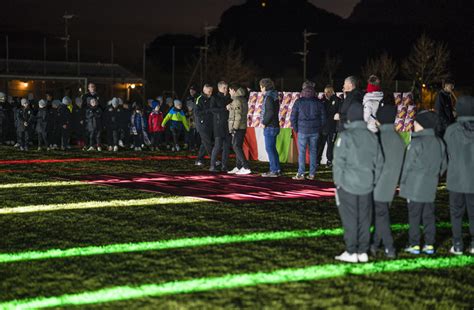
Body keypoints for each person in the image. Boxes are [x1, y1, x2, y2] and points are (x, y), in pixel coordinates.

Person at [333, 103, 383, 263]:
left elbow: (338, 163)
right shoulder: (372, 136)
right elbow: (380, 163)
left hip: (348, 185)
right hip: (367, 185)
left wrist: (338, 183)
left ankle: (351, 251)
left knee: (350, 219)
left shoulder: (345, 136)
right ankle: (363, 250)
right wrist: (373, 181)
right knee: (364, 219)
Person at [400, 110, 447, 255]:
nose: (414, 124)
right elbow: (444, 165)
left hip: (414, 186)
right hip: (430, 185)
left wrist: (403, 184)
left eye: (417, 122)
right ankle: (429, 244)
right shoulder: (440, 142)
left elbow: (407, 166)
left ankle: (414, 244)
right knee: (429, 215)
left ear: (423, 125)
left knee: (414, 216)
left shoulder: (415, 143)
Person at [370, 100, 405, 259]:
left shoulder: (378, 137)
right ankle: (375, 244)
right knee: (381, 214)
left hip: (378, 182)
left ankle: (390, 247)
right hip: (392, 182)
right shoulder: (399, 139)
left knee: (381, 215)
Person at [444, 96, 474, 255]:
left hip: (456, 179)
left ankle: (457, 244)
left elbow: (448, 152)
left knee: (456, 213)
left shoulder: (451, 130)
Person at [290, 81, 326, 180]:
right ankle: (312, 174)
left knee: (301, 153)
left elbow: (293, 117)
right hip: (314, 131)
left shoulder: (299, 102)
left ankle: (301, 173)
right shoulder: (318, 102)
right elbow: (323, 118)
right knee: (313, 152)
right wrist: (319, 128)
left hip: (302, 130)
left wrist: (296, 129)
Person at [259, 78, 281, 177]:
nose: (260, 89)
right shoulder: (274, 95)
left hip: (270, 126)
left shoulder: (268, 97)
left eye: (261, 87)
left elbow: (270, 112)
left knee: (269, 148)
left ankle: (274, 170)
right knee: (272, 148)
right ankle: (277, 169)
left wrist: (264, 122)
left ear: (264, 87)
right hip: (275, 125)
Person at [227, 84, 251, 175]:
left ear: (233, 90)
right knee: (237, 146)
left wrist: (234, 128)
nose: (229, 92)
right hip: (242, 126)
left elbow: (238, 115)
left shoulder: (237, 100)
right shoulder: (241, 99)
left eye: (230, 90)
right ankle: (239, 166)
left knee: (236, 146)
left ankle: (246, 166)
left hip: (239, 127)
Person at [210, 81, 232, 172]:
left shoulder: (229, 97)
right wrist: (224, 109)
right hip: (218, 125)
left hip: (228, 125)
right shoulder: (214, 97)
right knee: (218, 146)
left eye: (227, 88)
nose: (226, 90)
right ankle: (212, 166)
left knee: (227, 146)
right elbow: (212, 109)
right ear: (219, 88)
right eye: (224, 88)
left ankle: (224, 166)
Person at [317, 86, 341, 167]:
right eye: (325, 92)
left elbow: (339, 113)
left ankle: (329, 161)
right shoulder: (322, 101)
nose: (326, 94)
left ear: (332, 92)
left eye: (328, 92)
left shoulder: (337, 100)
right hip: (323, 127)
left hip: (333, 127)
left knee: (330, 145)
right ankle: (317, 160)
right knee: (321, 144)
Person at [194, 84, 214, 166]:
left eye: (211, 91)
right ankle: (214, 159)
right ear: (204, 90)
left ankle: (199, 160)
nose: (210, 93)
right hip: (202, 125)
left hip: (209, 124)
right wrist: (208, 111)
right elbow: (197, 113)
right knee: (207, 142)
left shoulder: (211, 99)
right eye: (209, 91)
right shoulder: (199, 99)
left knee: (204, 143)